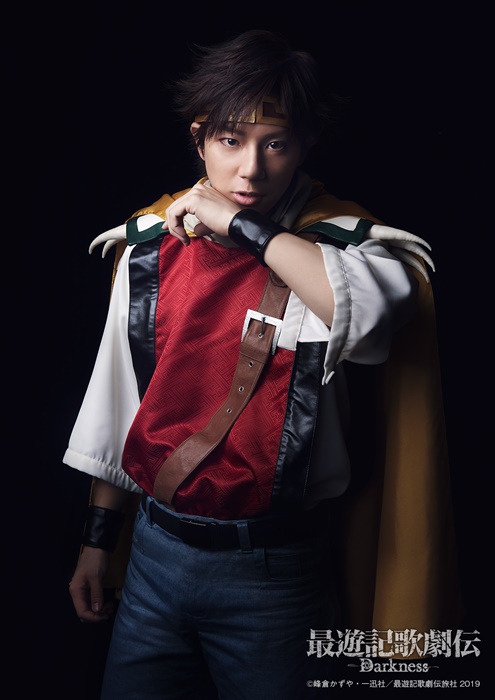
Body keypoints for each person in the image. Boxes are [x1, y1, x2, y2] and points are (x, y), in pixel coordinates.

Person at [65, 29, 459, 700]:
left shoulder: (345, 250)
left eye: (275, 144)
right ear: (199, 139)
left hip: (274, 576)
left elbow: (367, 317)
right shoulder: (149, 246)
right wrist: (98, 541)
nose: (250, 170)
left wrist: (242, 228)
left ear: (305, 145)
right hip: (157, 559)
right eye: (229, 141)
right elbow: (122, 402)